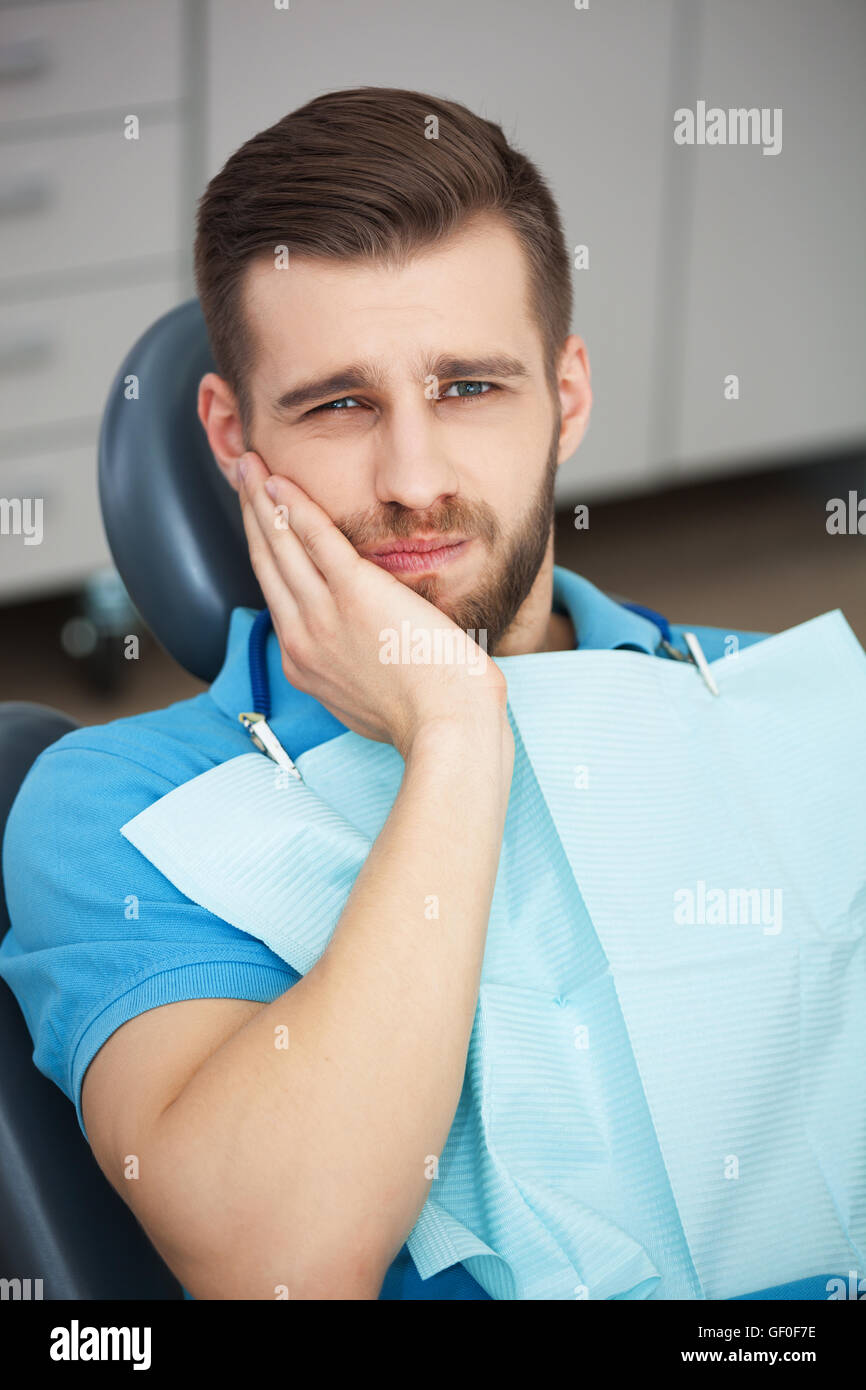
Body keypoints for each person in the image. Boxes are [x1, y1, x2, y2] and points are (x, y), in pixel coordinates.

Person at [0, 87, 765, 1300]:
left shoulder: (777, 709)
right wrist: (457, 733)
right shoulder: (115, 809)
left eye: (468, 388)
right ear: (228, 431)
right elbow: (282, 1266)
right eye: (339, 403)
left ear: (565, 396)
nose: (411, 480)